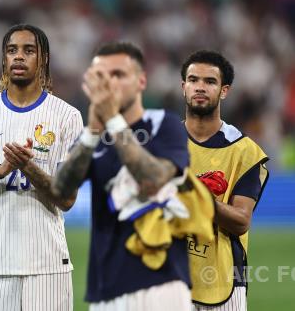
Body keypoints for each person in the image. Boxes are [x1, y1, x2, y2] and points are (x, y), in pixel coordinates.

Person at [51, 41, 204, 311]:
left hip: (160, 285)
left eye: (119, 75)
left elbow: (155, 177)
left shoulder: (163, 124)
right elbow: (60, 191)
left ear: (141, 81)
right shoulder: (93, 138)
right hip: (105, 290)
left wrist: (113, 121)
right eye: (101, 77)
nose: (109, 84)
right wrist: (91, 133)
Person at [0, 24, 83, 310]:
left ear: (44, 59)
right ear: (3, 59)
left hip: (49, 269)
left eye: (28, 50)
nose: (19, 57)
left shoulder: (67, 117)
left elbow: (68, 198)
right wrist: (0, 172)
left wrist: (27, 166)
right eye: (12, 50)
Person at [180, 50, 269, 310]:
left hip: (223, 282)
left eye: (210, 82)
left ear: (224, 91)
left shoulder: (245, 151)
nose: (200, 87)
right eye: (193, 80)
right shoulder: (163, 143)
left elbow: (241, 221)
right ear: (183, 87)